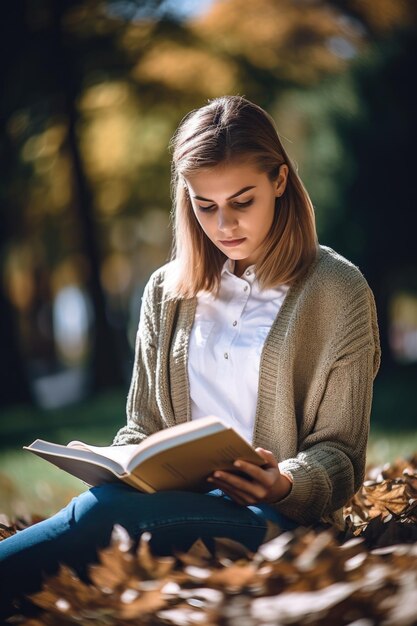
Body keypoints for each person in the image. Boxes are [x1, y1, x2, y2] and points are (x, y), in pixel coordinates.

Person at [0, 95, 381, 614]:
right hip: (172, 504)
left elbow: (341, 453)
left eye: (242, 201)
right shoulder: (166, 291)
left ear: (280, 181)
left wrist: (284, 481)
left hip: (279, 523)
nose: (224, 225)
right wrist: (115, 462)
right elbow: (141, 428)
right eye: (206, 206)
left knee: (99, 517)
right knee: (107, 507)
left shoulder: (338, 290)